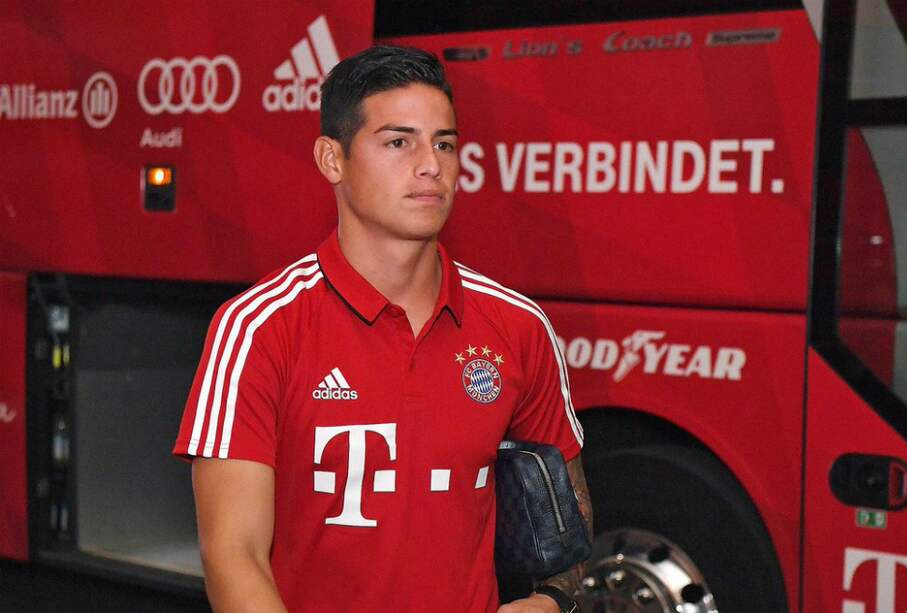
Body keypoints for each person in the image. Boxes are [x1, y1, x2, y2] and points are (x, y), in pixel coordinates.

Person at [173, 45, 592, 613]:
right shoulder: (257, 327)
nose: (431, 165)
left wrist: (554, 601)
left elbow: (566, 521)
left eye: (444, 143)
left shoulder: (518, 325)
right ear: (332, 159)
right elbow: (232, 554)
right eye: (399, 142)